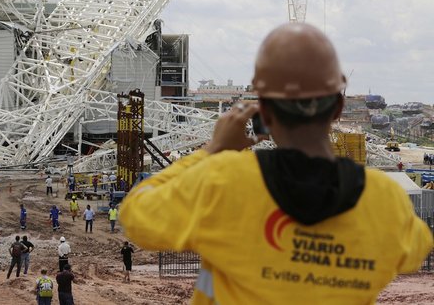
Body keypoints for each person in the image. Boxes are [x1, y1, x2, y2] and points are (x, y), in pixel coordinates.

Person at [119, 23, 433, 304]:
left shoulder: (223, 182)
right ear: (338, 107)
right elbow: (415, 251)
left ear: (264, 113)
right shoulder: (384, 202)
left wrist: (212, 150)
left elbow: (137, 215)